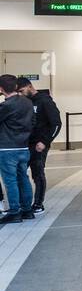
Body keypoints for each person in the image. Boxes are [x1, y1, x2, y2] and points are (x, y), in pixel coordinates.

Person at [18, 79, 60, 215]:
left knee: (38, 174)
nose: (20, 94)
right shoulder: (25, 102)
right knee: (20, 174)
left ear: (29, 86)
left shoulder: (45, 101)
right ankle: (23, 203)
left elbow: (56, 124)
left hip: (39, 145)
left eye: (21, 91)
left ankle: (38, 204)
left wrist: (45, 142)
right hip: (25, 144)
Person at [0, 75, 35, 225]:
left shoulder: (6, 105)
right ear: (15, 86)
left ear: (1, 89)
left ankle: (15, 212)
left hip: (7, 148)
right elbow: (33, 121)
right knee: (23, 178)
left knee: (10, 180)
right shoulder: (27, 102)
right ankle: (27, 210)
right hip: (23, 146)